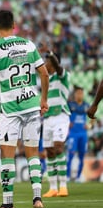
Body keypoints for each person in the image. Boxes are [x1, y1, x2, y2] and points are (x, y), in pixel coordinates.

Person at [0, 10, 49, 208]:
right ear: (15, 24)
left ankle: (8, 205)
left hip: (11, 110)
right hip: (32, 106)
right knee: (33, 154)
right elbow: (44, 73)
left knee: (7, 155)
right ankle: (37, 198)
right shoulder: (28, 44)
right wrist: (43, 99)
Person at [40, 48, 71, 198]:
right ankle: (53, 187)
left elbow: (58, 68)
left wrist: (51, 54)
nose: (45, 63)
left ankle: (63, 186)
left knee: (59, 147)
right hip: (47, 118)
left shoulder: (62, 76)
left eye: (48, 61)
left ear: (53, 62)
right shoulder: (47, 80)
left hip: (61, 116)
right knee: (50, 152)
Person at [67, 86, 90, 182]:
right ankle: (67, 176)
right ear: (75, 94)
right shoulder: (70, 105)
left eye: (81, 93)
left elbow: (93, 118)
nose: (80, 94)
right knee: (70, 155)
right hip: (73, 133)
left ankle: (78, 177)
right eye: (78, 93)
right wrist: (68, 123)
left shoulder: (87, 105)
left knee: (82, 155)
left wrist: (89, 125)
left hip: (83, 134)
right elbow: (64, 115)